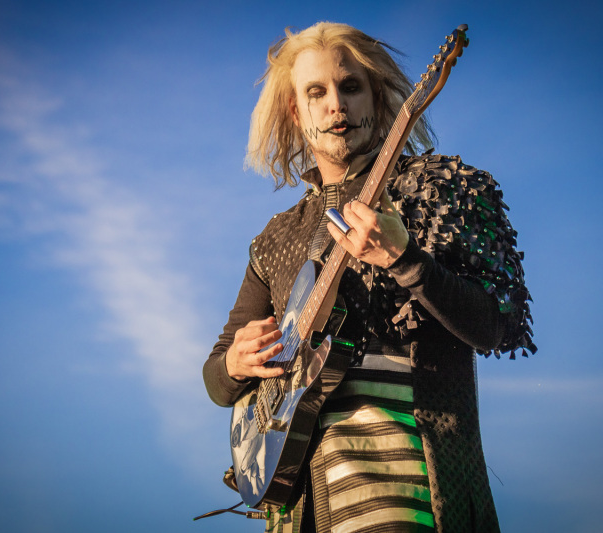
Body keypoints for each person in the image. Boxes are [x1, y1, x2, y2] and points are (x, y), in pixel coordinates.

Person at [202, 22, 535, 533]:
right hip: (300, 512)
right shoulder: (275, 239)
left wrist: (407, 260)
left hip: (411, 495)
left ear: (376, 98)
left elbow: (498, 324)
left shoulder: (439, 190)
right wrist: (236, 360)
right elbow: (217, 381)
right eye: (316, 92)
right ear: (297, 110)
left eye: (350, 86)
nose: (336, 105)